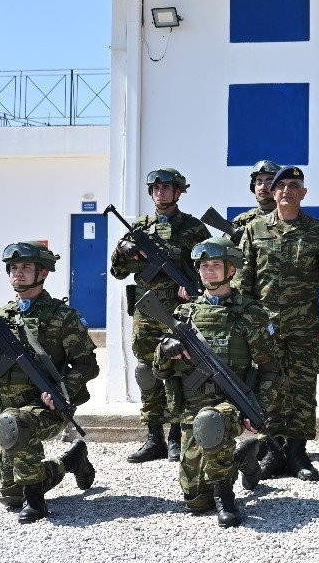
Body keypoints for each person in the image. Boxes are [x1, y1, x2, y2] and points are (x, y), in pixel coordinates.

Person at [0, 242, 98, 523]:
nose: (18, 273)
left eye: (26, 268)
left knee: (15, 423)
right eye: (14, 268)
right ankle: (71, 461)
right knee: (10, 493)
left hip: (47, 408)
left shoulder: (61, 316)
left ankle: (36, 503)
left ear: (43, 273)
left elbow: (87, 364)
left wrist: (62, 390)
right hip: (7, 416)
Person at [157, 236, 281, 527]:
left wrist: (259, 408)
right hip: (192, 409)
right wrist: (167, 350)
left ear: (231, 270)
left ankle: (226, 497)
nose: (209, 271)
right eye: (204, 266)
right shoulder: (184, 314)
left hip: (231, 405)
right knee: (195, 500)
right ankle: (242, 458)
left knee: (211, 420)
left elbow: (271, 368)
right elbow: (159, 370)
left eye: (216, 265)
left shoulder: (249, 314)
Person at [236, 166, 319, 481]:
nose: (286, 190)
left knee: (301, 389)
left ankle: (298, 453)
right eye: (280, 185)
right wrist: (244, 324)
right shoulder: (254, 231)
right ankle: (272, 451)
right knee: (269, 390)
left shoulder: (318, 231)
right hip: (265, 329)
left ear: (303, 193)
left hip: (304, 327)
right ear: (271, 192)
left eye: (293, 185)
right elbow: (244, 283)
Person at [110, 167, 210, 464]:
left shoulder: (193, 229)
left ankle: (176, 436)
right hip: (146, 312)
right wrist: (123, 250)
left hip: (178, 312)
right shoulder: (138, 229)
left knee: (178, 370)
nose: (160, 192)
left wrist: (193, 289)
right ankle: (154, 437)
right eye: (155, 187)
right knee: (146, 372)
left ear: (179, 192)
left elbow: (207, 268)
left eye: (167, 187)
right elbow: (118, 272)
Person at [232, 159, 282, 230]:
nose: (263, 187)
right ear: (253, 187)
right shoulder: (242, 221)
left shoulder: (291, 218)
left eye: (270, 182)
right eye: (259, 182)